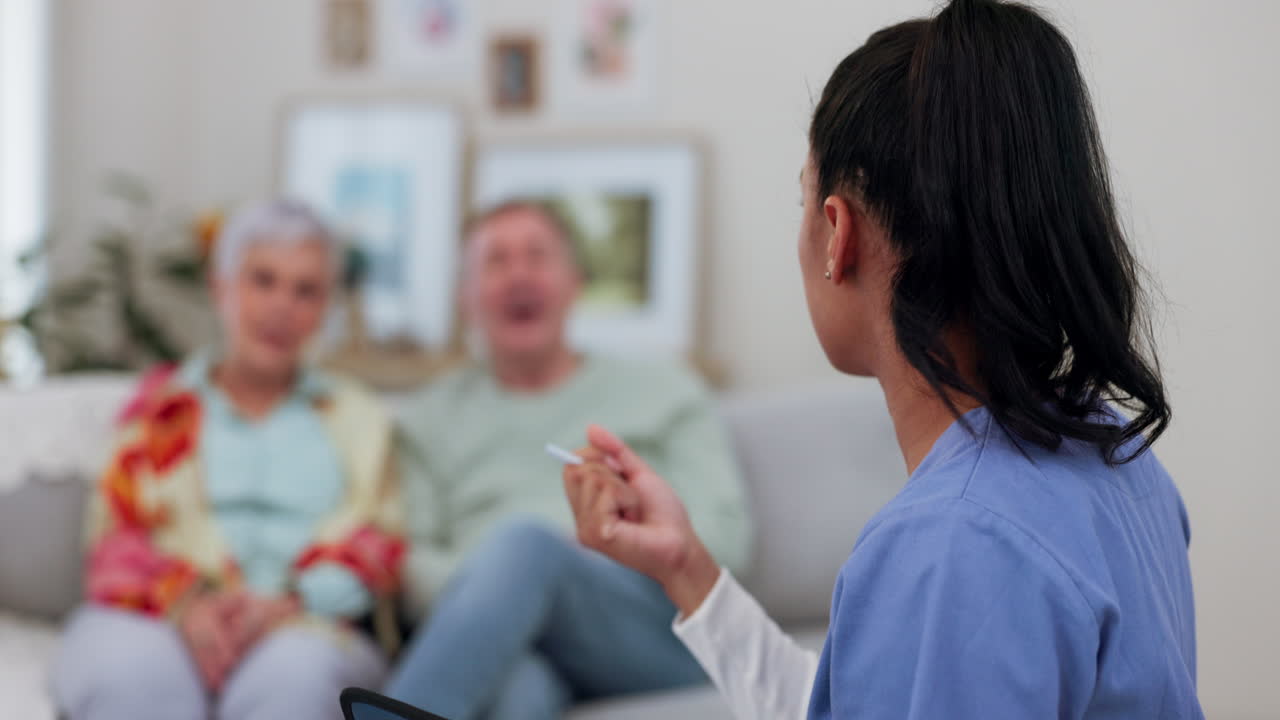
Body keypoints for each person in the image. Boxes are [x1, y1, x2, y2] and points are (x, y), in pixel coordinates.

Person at [562, 1, 1203, 718]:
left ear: (838, 233)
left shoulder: (953, 547)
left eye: (803, 198)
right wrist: (684, 566)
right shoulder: (1113, 451)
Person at [385, 201, 751, 719]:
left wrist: (588, 552)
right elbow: (414, 572)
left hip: (650, 633)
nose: (519, 274)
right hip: (497, 638)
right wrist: (510, 591)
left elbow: (729, 539)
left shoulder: (665, 390)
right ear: (466, 299)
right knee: (521, 691)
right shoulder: (427, 419)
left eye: (537, 255)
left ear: (574, 281)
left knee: (527, 543)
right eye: (495, 261)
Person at [52, 200, 405, 720]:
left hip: (303, 622)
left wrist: (284, 602)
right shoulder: (157, 409)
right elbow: (113, 542)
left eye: (306, 291)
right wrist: (188, 604)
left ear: (326, 308)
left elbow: (379, 542)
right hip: (157, 618)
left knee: (296, 685)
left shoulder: (359, 417)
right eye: (262, 280)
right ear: (222, 288)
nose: (282, 306)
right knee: (130, 679)